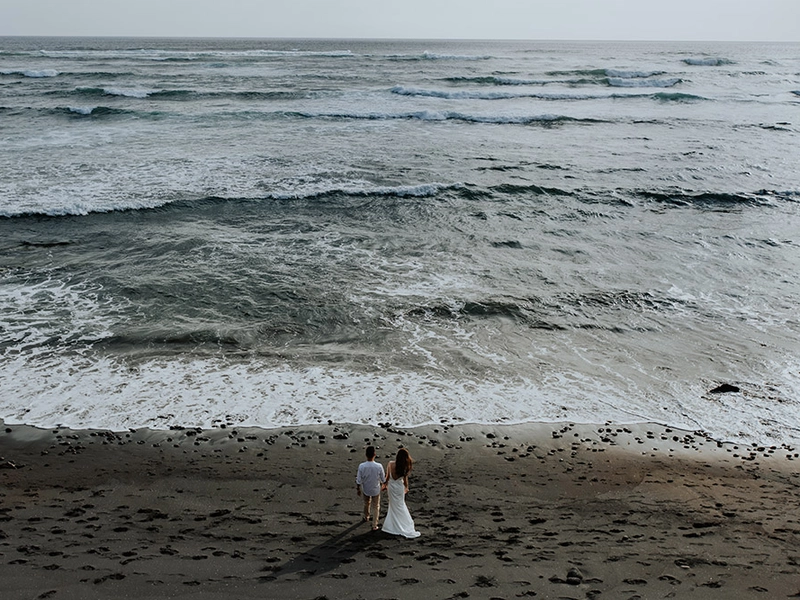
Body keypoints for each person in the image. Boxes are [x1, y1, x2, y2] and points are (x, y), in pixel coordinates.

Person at [382, 447, 421, 538]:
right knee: (400, 505)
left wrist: (384, 485)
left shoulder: (390, 464)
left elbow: (387, 477)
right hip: (399, 487)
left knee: (393, 505)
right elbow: (405, 479)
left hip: (391, 487)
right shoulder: (405, 466)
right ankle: (403, 523)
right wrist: (406, 487)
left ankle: (392, 524)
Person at [355, 446, 385, 531]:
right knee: (376, 506)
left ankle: (366, 516)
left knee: (366, 503)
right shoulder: (379, 466)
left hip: (366, 489)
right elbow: (383, 479)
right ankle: (374, 524)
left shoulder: (362, 466)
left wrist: (358, 489)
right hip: (376, 489)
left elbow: (359, 479)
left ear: (366, 455)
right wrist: (384, 485)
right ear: (374, 454)